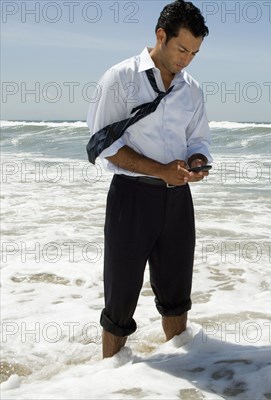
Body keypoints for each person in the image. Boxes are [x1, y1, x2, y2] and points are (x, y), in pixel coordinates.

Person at [86, 0, 212, 358]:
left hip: (178, 201)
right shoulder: (120, 78)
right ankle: (106, 380)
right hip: (132, 199)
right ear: (161, 36)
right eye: (182, 48)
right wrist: (160, 170)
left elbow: (198, 139)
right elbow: (105, 144)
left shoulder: (192, 89)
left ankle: (182, 380)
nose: (187, 58)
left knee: (176, 297)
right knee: (120, 299)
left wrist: (198, 160)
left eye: (195, 52)